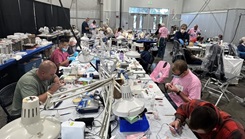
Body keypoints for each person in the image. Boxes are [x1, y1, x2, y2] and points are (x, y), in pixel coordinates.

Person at [169, 99, 245, 139]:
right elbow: (183, 108)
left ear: (212, 129)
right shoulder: (196, 105)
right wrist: (178, 120)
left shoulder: (233, 133)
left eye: (200, 132)